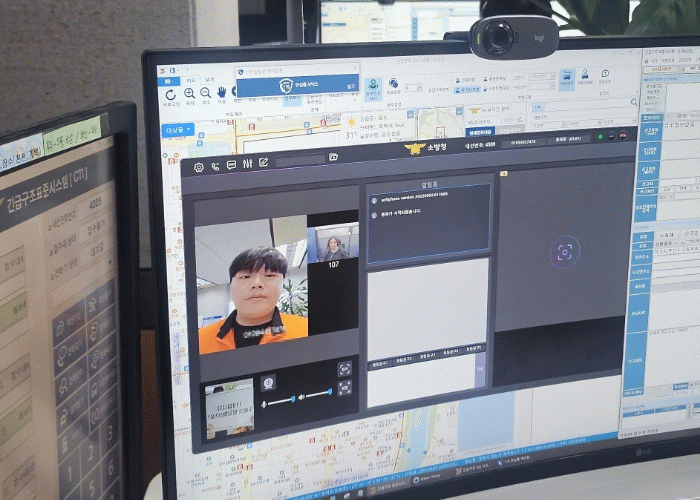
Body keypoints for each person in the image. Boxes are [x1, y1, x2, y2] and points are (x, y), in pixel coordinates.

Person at [199, 246, 308, 354]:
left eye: (269, 275)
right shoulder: (200, 339)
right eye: (245, 277)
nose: (256, 284)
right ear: (231, 285)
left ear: (282, 283)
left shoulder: (306, 330)